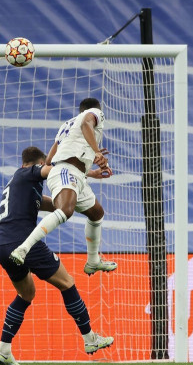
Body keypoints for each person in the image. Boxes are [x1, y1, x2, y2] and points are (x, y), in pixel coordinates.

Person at [0, 146, 114, 365]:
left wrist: (84, 184)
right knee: (67, 283)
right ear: (33, 165)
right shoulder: (26, 173)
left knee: (26, 293)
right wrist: (85, 168)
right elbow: (57, 170)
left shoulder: (23, 186)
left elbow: (54, 204)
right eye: (41, 166)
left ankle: (3, 349)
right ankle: (89, 338)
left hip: (2, 244)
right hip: (22, 241)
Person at [10, 98, 118, 275]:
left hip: (73, 174)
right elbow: (86, 124)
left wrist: (91, 171)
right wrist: (97, 151)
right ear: (95, 110)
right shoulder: (94, 115)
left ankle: (93, 261)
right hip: (66, 172)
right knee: (66, 210)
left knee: (96, 213)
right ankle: (24, 248)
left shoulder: (67, 126)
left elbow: (50, 160)